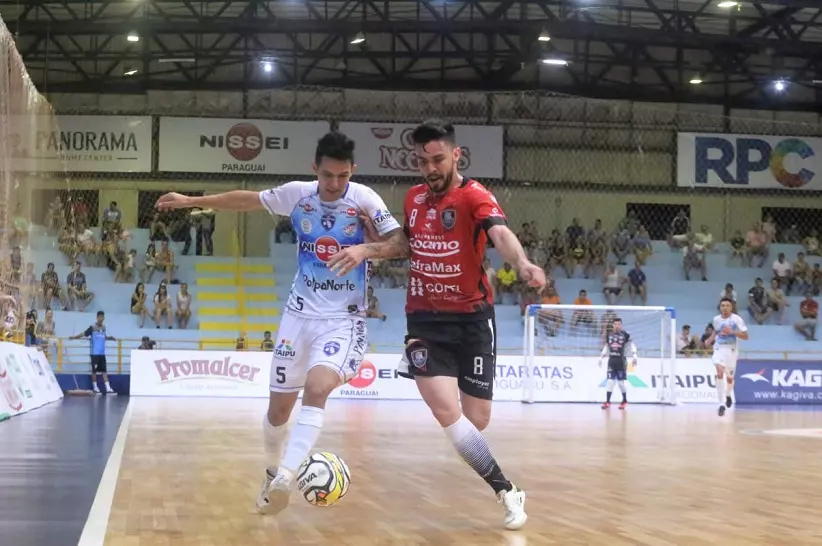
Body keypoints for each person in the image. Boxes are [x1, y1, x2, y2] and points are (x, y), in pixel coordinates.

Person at [154, 131, 402, 517]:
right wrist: (191, 200)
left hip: (342, 320)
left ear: (352, 170)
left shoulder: (364, 198)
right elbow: (247, 200)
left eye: (342, 176)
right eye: (327, 175)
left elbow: (401, 243)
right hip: (297, 318)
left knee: (317, 388)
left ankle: (285, 478)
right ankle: (272, 472)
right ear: (314, 169)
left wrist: (365, 249)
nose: (334, 184)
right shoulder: (297, 195)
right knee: (278, 412)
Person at [328, 118, 545, 531]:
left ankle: (495, 473)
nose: (430, 168)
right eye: (422, 161)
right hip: (424, 320)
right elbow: (404, 245)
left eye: (438, 159)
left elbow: (500, 234)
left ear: (456, 155)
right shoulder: (413, 199)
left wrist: (521, 263)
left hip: (472, 320)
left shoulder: (474, 196)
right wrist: (368, 249)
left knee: (476, 420)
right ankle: (506, 490)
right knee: (447, 412)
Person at [706, 297, 749, 417]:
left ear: (731, 307)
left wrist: (732, 332)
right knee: (719, 372)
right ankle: (721, 404)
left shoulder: (736, 319)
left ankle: (728, 394)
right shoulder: (716, 319)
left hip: (732, 351)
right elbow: (716, 331)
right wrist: (710, 340)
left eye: (727, 306)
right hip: (719, 349)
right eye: (723, 306)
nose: (725, 308)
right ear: (720, 307)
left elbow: (746, 336)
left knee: (730, 378)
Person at [69, 310, 117, 395]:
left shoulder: (104, 328)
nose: (101, 318)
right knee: (94, 371)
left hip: (102, 354)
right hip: (94, 353)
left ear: (104, 318)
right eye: (100, 317)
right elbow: (84, 334)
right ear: (97, 317)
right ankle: (95, 388)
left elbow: (104, 337)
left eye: (102, 317)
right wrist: (74, 337)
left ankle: (108, 388)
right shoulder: (92, 327)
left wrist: (111, 338)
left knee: (104, 371)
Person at [598, 318, 637, 410]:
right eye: (615, 324)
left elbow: (632, 345)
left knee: (620, 383)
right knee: (610, 382)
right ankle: (607, 402)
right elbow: (606, 346)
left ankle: (624, 400)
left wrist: (635, 356)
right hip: (611, 361)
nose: (617, 326)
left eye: (619, 324)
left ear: (621, 325)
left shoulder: (625, 335)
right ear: (613, 325)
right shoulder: (609, 335)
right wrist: (601, 357)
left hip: (621, 362)